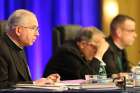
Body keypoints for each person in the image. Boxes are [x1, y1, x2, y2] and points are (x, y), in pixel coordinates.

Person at [0, 9, 60, 89]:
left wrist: (44, 81)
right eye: (33, 28)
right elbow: (2, 85)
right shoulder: (2, 49)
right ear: (18, 30)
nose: (37, 34)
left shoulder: (19, 47)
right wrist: (34, 83)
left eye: (37, 30)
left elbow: (22, 81)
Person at [43, 27, 109, 80]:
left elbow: (102, 76)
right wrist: (99, 54)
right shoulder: (68, 52)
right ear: (83, 44)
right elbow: (88, 77)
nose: (97, 51)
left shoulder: (83, 54)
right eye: (96, 47)